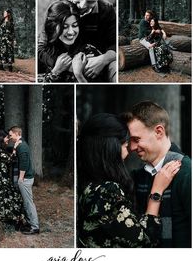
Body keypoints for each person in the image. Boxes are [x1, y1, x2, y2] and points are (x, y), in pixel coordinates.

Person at [77, 113, 181, 248]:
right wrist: (156, 192)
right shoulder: (107, 190)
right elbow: (144, 242)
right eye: (125, 146)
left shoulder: (88, 183)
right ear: (109, 147)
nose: (129, 151)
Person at [127, 101, 192, 247]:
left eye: (136, 139)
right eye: (129, 141)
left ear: (159, 132)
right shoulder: (137, 177)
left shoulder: (187, 173)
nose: (132, 147)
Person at [0, 130, 28, 230]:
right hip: (2, 181)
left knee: (15, 198)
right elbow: (10, 159)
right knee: (7, 200)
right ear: (0, 139)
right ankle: (11, 221)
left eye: (8, 137)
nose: (8, 139)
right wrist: (15, 148)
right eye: (6, 137)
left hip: (5, 179)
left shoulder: (1, 150)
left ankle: (18, 221)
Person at [8, 126, 40, 236]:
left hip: (25, 179)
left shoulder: (22, 146)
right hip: (25, 178)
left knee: (28, 203)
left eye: (11, 134)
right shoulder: (19, 145)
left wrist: (20, 178)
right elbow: (15, 158)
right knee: (26, 203)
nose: (10, 137)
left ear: (17, 133)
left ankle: (35, 227)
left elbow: (24, 163)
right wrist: (14, 149)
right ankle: (30, 223)